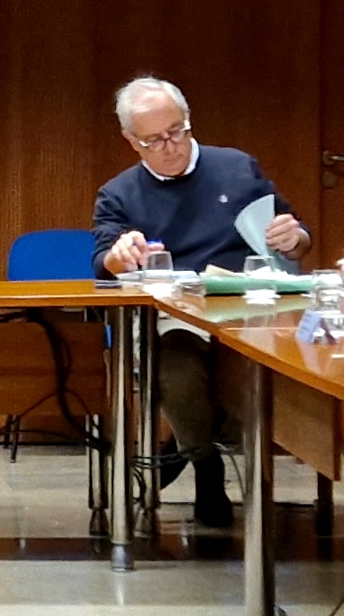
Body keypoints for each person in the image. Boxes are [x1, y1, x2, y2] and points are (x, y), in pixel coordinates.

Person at [92, 75, 307, 533]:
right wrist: (119, 255)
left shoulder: (237, 167)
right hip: (175, 318)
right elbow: (105, 259)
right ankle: (208, 469)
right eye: (154, 140)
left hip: (250, 310)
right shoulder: (119, 194)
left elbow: (294, 235)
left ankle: (187, 449)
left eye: (178, 131)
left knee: (277, 370)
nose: (170, 146)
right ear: (133, 142)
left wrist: (295, 238)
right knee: (174, 368)